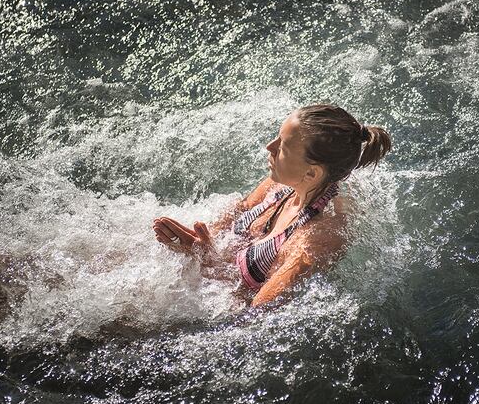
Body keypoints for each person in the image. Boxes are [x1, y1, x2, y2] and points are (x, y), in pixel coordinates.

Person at [153, 104, 391, 307]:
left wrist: (203, 262)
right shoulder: (280, 185)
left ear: (311, 173)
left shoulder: (313, 242)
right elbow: (239, 209)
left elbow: (254, 313)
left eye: (283, 147)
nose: (269, 147)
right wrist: (200, 241)